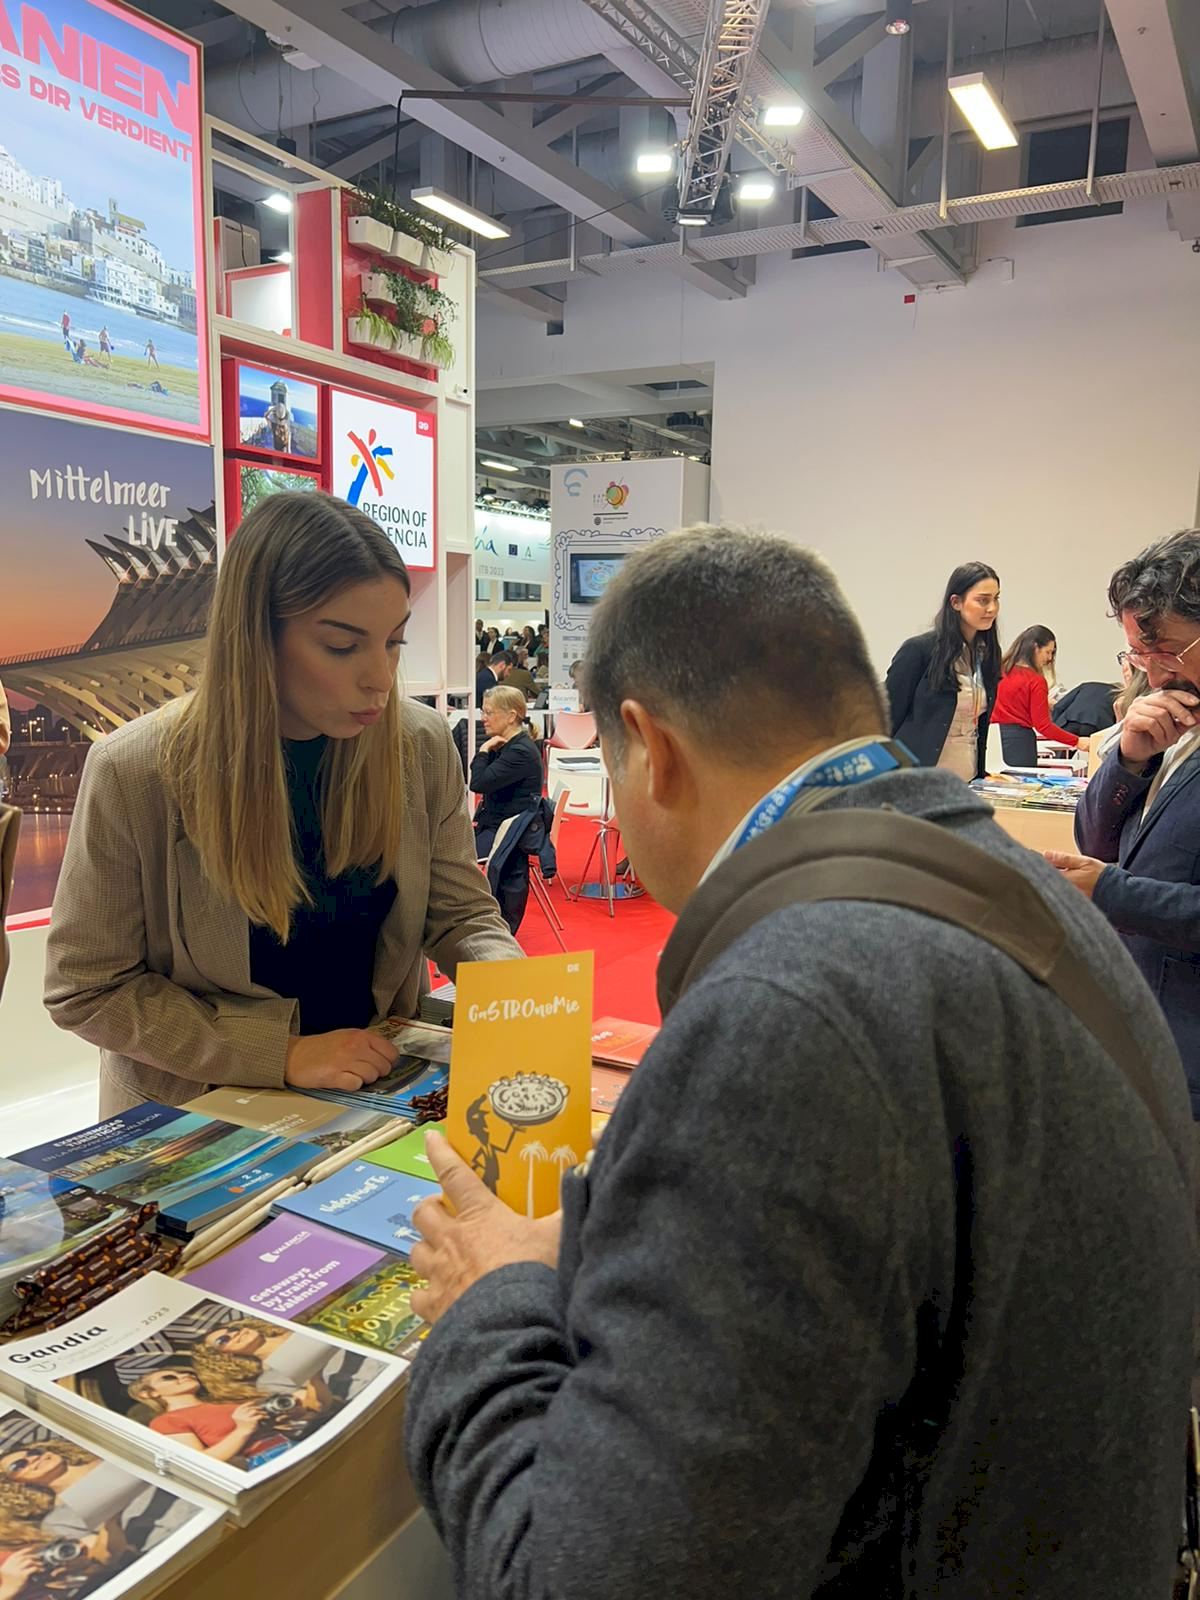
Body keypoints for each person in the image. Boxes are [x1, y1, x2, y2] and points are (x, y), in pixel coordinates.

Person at [403, 526, 1194, 1599]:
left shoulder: (789, 1007)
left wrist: (492, 1301)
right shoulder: (1007, 880)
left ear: (649, 747)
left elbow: (578, 1577)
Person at [45, 492, 519, 1117]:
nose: (380, 677)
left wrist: (517, 995)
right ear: (256, 637)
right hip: (200, 1110)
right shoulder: (135, 770)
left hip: (377, 1094)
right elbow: (87, 988)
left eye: (394, 642)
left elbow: (459, 914)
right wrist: (281, 1053)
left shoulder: (419, 745)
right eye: (342, 646)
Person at [1049, 530, 1200, 1119]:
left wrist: (1109, 891)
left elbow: (1113, 876)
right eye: (1138, 654)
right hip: (1143, 1032)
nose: (1154, 675)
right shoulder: (1167, 717)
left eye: (1168, 652)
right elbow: (1095, 840)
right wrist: (1130, 759)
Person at [884, 562, 1001, 779]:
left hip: (967, 777)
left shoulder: (987, 653)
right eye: (983, 600)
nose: (992, 608)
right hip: (918, 778)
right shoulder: (919, 650)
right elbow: (886, 720)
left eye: (996, 599)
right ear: (956, 602)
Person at [471, 685, 543, 933]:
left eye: (489, 712)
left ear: (511, 716)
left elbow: (478, 783)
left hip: (507, 834)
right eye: (483, 711)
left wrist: (483, 751)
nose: (484, 718)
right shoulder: (508, 746)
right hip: (502, 828)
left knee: (447, 857)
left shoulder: (519, 752)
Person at [991, 625, 1089, 767]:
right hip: (1019, 743)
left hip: (992, 740)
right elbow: (1043, 726)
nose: (1049, 658)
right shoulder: (1035, 681)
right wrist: (1077, 741)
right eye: (1048, 652)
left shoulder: (998, 671)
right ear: (1035, 647)